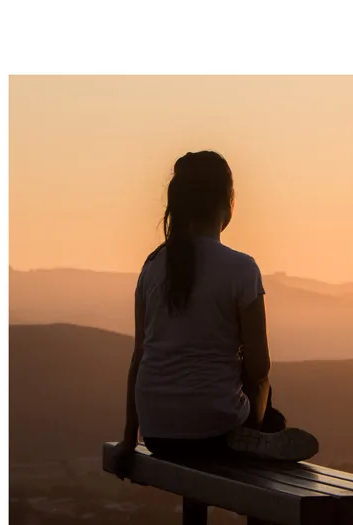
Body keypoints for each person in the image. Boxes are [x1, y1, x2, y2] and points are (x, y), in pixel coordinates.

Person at [110, 151, 318, 477]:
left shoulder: (152, 267)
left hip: (157, 434)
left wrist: (128, 438)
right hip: (215, 433)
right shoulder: (241, 269)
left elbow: (139, 358)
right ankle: (258, 435)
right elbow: (258, 367)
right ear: (227, 201)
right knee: (267, 399)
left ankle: (257, 435)